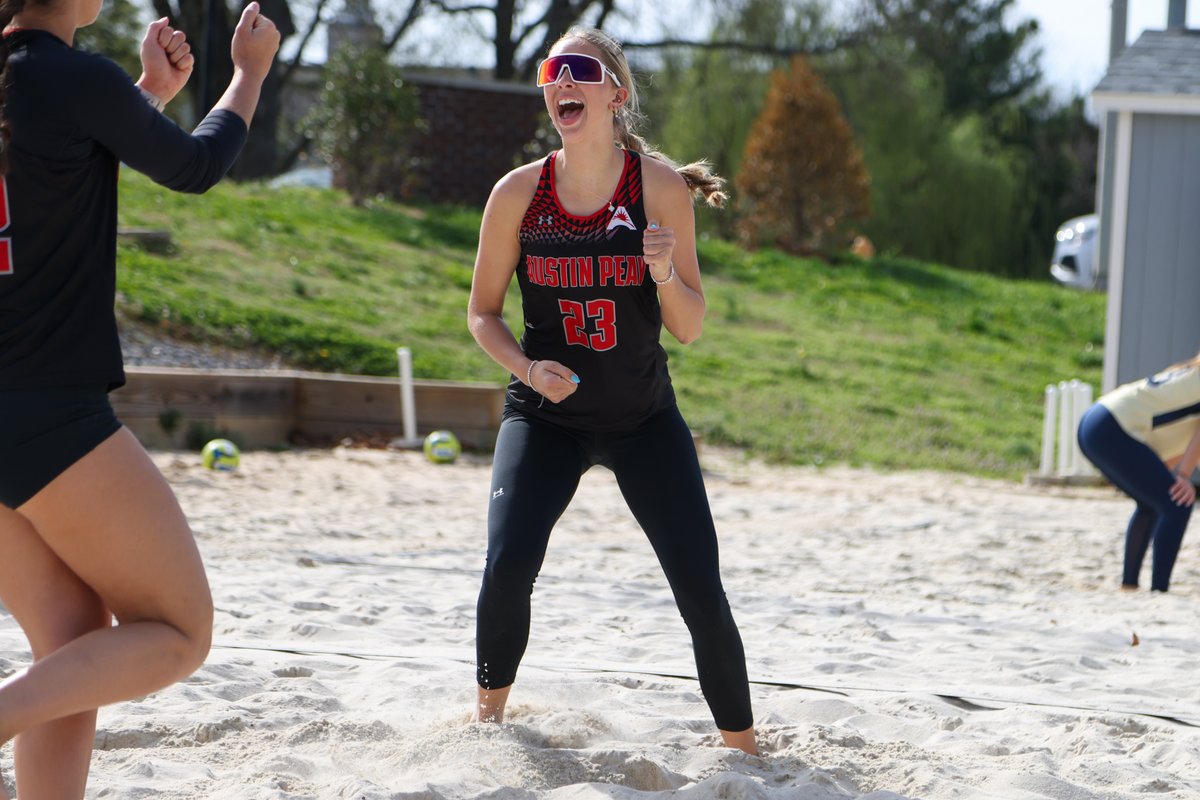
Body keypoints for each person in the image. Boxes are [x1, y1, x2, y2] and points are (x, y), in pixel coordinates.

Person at [0, 0, 279, 795]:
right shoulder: (73, 78)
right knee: (179, 632)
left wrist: (145, 95)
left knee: (70, 645)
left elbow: (53, 171)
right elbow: (195, 166)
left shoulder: (38, 83)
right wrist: (248, 73)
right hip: (47, 411)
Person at [466, 28, 757, 755]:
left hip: (641, 418)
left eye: (580, 70)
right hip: (545, 418)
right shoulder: (518, 194)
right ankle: (485, 723)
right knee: (507, 566)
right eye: (551, 70)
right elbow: (481, 313)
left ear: (615, 94)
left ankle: (745, 751)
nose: (562, 81)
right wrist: (529, 371)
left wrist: (662, 273)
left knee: (700, 589)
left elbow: (689, 327)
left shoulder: (655, 186)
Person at [1077, 352, 1200, 592]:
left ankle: (1129, 586)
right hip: (1112, 427)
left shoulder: (1192, 371)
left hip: (1097, 421)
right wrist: (1183, 476)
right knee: (1178, 502)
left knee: (1154, 502)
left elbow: (1181, 438)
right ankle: (1159, 591)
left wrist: (1161, 474)